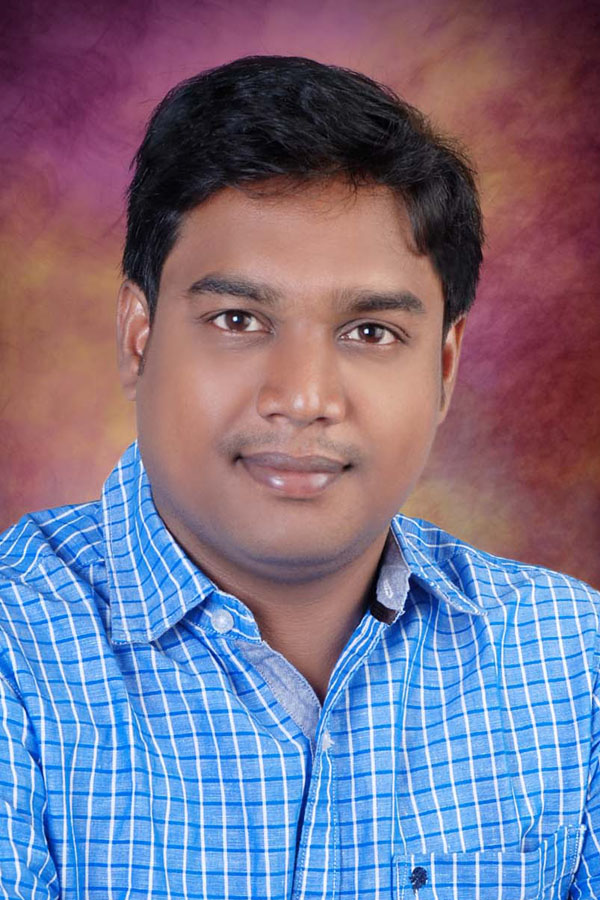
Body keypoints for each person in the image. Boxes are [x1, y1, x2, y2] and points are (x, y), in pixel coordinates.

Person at [0, 54, 597, 900]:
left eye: (371, 332)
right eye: (238, 319)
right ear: (139, 337)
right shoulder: (16, 658)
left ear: (445, 368)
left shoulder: (573, 663)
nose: (304, 398)